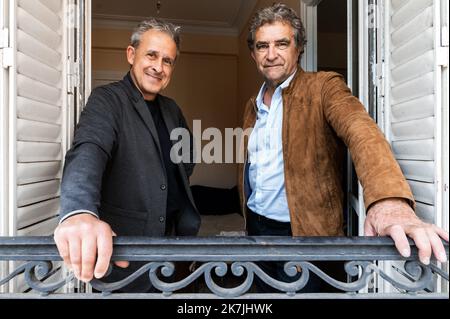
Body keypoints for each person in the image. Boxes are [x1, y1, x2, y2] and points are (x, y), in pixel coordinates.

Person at [239, 3, 448, 292]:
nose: (271, 54)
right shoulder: (251, 106)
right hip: (256, 230)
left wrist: (388, 200)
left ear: (298, 48)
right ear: (253, 54)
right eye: (262, 46)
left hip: (308, 236)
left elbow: (361, 131)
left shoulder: (324, 87)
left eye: (282, 43)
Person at [53, 18, 200, 292]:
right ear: (131, 55)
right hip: (125, 260)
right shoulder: (106, 100)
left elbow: (186, 160)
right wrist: (78, 211)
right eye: (152, 55)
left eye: (168, 61)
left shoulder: (172, 109)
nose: (158, 67)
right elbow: (88, 151)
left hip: (174, 252)